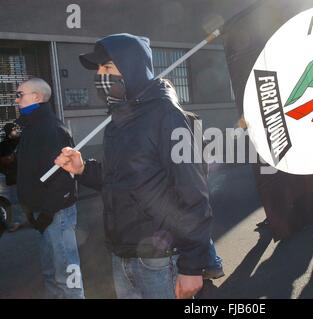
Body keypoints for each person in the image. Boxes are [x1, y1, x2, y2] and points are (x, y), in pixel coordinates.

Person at [55, 33, 214, 299]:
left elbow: (194, 192)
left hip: (160, 260)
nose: (99, 76)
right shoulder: (119, 117)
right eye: (97, 68)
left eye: (106, 67)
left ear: (131, 69)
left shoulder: (166, 115)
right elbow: (119, 178)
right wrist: (83, 169)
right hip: (123, 255)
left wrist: (192, 266)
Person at [15, 78, 85, 298]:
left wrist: (47, 211)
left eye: (20, 94)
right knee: (51, 274)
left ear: (36, 97)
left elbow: (65, 177)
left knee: (67, 277)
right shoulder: (31, 128)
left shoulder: (52, 129)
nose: (16, 100)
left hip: (57, 213)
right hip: (43, 213)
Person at [0, 123, 22, 232]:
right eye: (13, 129)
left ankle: (32, 219)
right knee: (15, 200)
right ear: (8, 132)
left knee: (27, 198)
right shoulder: (3, 145)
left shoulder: (21, 140)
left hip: (24, 175)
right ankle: (17, 222)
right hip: (12, 177)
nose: (16, 131)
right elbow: (4, 161)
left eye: (16, 129)